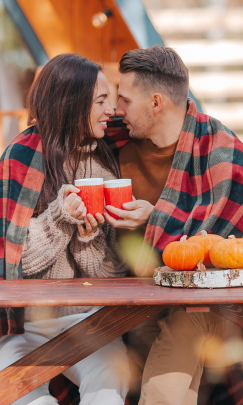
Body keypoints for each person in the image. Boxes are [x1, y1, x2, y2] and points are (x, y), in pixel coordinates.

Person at [0, 53, 130, 405]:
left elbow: (111, 273)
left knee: (109, 388)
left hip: (85, 320)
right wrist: (59, 218)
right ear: (71, 105)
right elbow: (9, 260)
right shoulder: (21, 157)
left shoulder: (105, 163)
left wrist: (88, 240)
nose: (112, 111)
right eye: (101, 101)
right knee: (30, 400)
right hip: (20, 325)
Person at [103, 45, 243, 405]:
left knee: (162, 389)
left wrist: (155, 216)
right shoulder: (113, 141)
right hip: (133, 298)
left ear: (156, 103)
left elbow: (215, 249)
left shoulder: (221, 150)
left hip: (203, 304)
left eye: (125, 100)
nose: (117, 110)